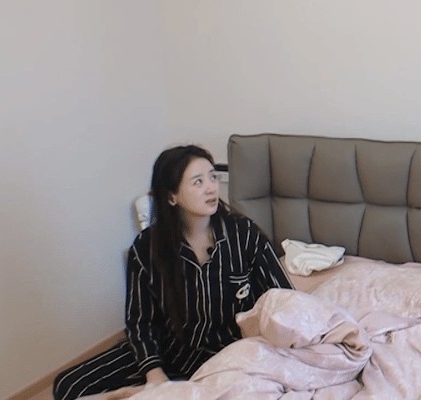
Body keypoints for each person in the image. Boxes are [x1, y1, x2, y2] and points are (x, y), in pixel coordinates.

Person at [53, 145, 294, 400]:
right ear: (171, 196)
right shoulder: (146, 248)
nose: (211, 188)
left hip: (228, 352)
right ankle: (160, 390)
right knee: (69, 385)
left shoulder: (243, 235)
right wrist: (154, 373)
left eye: (213, 177)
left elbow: (284, 298)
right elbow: (140, 321)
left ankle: (170, 391)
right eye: (198, 182)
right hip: (169, 349)